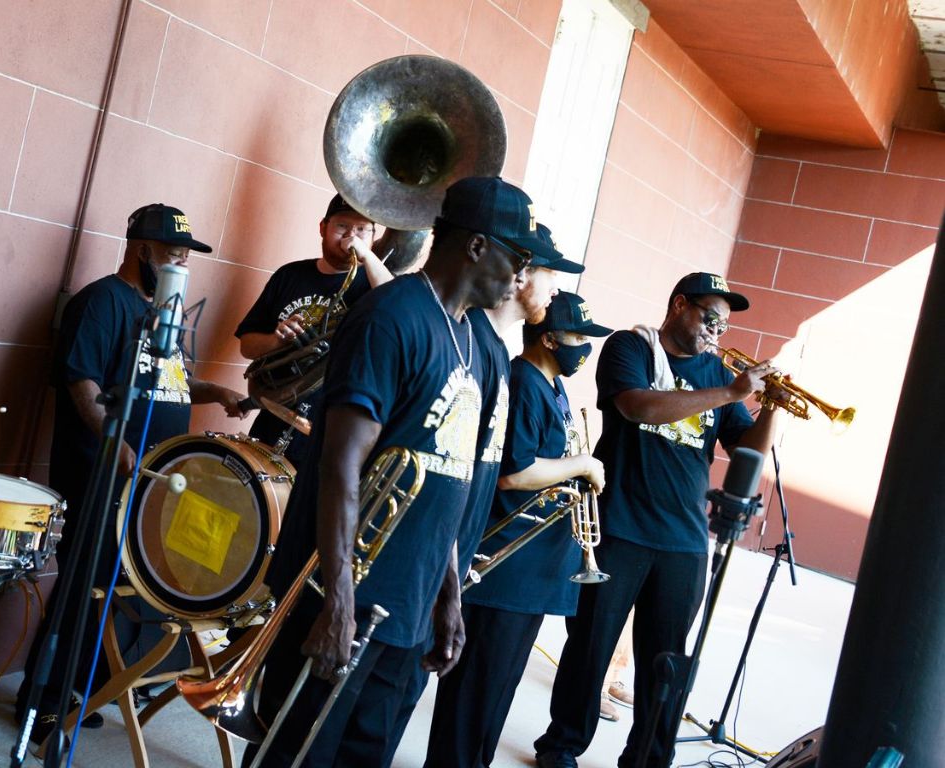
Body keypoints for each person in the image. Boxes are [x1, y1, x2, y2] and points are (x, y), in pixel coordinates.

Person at [246, 177, 555, 768]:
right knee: (299, 755)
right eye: (516, 257)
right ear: (474, 246)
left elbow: (443, 482)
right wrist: (338, 603)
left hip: (407, 607)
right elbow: (340, 465)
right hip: (344, 599)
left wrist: (448, 596)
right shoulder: (391, 316)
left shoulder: (473, 338)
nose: (520, 276)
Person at [14, 203, 247, 744]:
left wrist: (215, 393)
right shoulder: (102, 302)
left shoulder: (162, 310)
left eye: (186, 257)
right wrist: (115, 442)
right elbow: (82, 383)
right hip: (102, 477)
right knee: (81, 586)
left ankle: (79, 690)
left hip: (150, 484)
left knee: (116, 589)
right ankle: (41, 703)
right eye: (172, 255)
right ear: (142, 251)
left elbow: (168, 380)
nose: (181, 266)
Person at [534, 273, 784, 768]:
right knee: (590, 644)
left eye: (725, 324)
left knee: (667, 662)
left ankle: (648, 758)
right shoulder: (631, 347)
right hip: (620, 523)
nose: (718, 330)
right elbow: (636, 406)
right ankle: (562, 746)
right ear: (679, 306)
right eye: (710, 317)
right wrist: (731, 394)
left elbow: (746, 452)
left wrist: (770, 409)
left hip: (685, 538)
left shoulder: (718, 373)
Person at [425, 291, 613, 768]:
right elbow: (514, 471)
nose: (585, 348)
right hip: (507, 567)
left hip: (534, 574)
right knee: (473, 697)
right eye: (578, 338)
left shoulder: (553, 385)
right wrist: (583, 463)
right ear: (549, 339)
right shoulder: (524, 381)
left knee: (495, 696)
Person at [234, 194, 393, 461]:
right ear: (323, 227)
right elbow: (247, 346)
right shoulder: (289, 275)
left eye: (362, 229)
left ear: (373, 236)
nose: (350, 238)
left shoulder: (372, 284)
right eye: (342, 227)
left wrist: (367, 256)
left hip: (332, 425)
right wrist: (277, 340)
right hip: (276, 413)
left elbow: (395, 302)